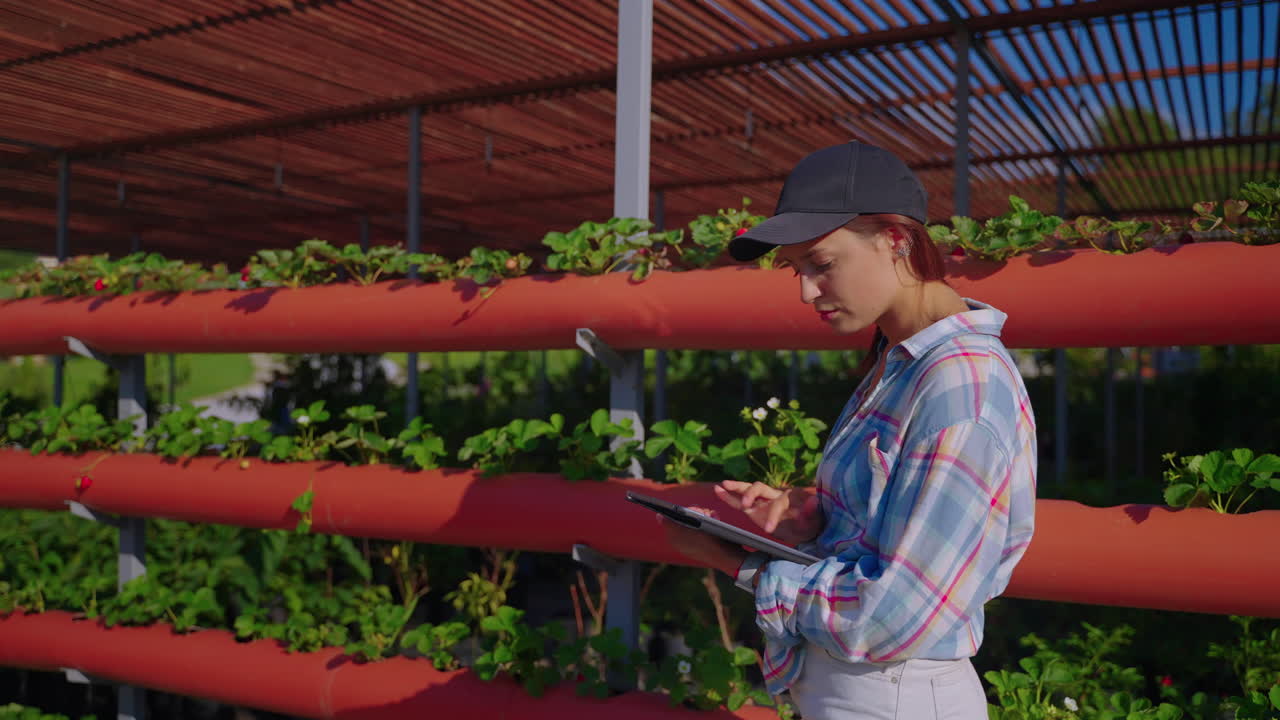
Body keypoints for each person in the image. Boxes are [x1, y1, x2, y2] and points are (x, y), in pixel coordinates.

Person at [659, 141, 1037, 720]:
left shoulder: (962, 383)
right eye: (797, 269)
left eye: (822, 263)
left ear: (896, 240)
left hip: (894, 693)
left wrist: (739, 563)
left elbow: (897, 611)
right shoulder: (903, 360)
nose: (806, 290)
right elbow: (893, 534)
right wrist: (813, 518)